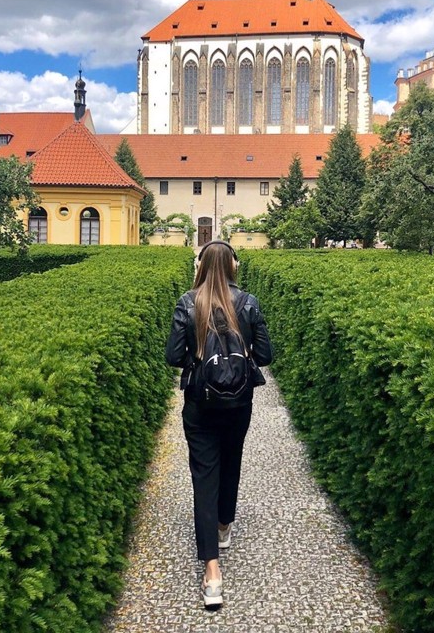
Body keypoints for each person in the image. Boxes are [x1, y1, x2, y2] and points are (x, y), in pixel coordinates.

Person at [166, 240, 273, 607]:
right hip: (239, 400)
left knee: (204, 475)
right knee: (232, 462)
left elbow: (172, 356)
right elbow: (266, 355)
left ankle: (212, 572)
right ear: (233, 265)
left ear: (199, 265)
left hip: (200, 403)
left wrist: (200, 353)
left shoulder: (187, 302)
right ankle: (224, 524)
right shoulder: (250, 302)